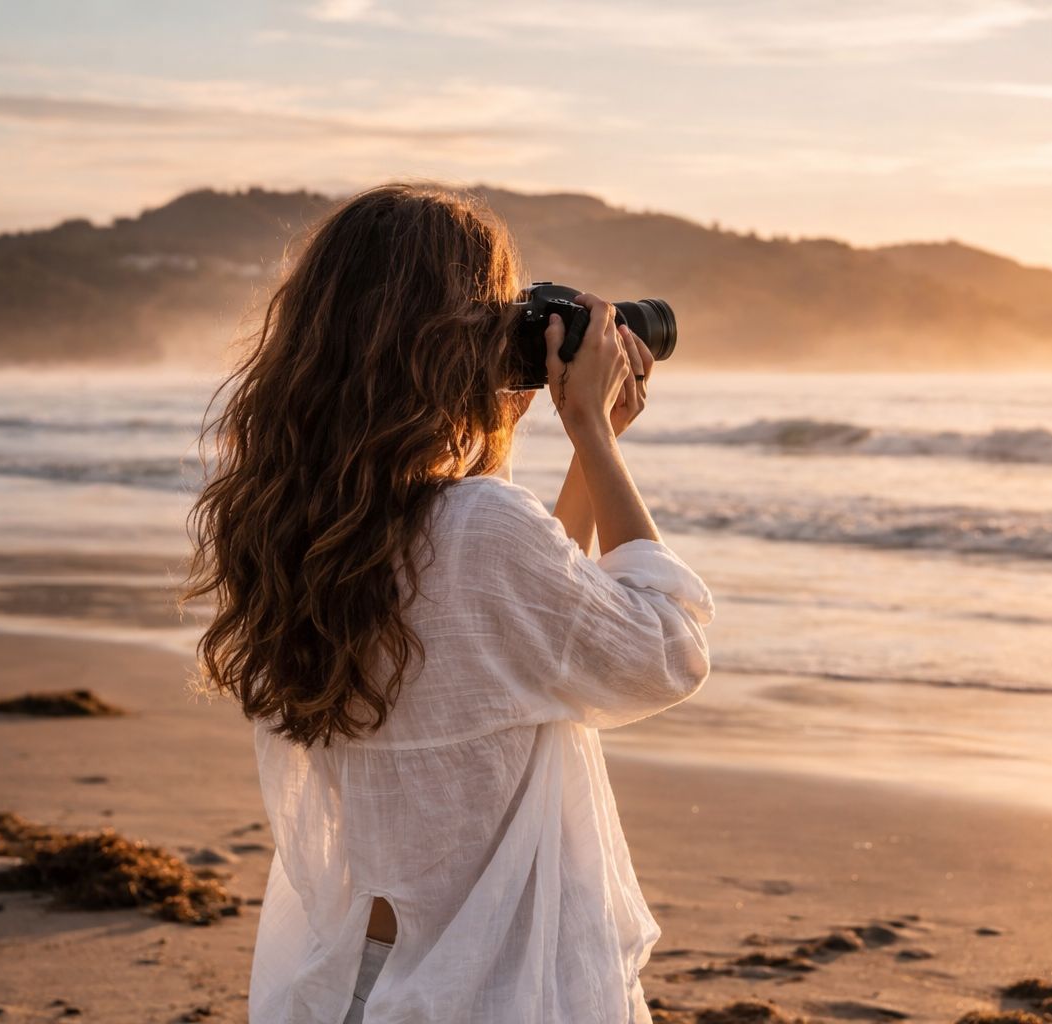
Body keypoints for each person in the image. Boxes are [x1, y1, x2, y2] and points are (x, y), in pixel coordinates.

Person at [181, 183, 714, 1023]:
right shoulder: (476, 527)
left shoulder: (293, 529)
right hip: (493, 978)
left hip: (366, 975)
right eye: (498, 310)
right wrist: (597, 440)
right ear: (452, 336)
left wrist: (588, 446)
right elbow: (667, 649)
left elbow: (531, 635)